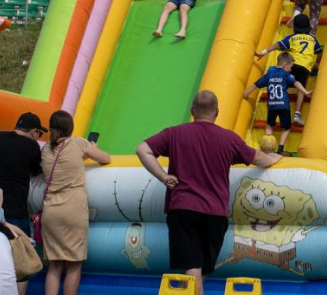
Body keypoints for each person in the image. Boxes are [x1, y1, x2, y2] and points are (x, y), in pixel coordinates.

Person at [136, 91, 282, 295]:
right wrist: (275, 158)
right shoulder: (228, 138)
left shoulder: (174, 133)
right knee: (201, 267)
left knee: (194, 267)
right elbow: (259, 159)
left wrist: (162, 176)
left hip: (183, 207)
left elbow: (142, 149)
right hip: (215, 212)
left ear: (192, 111)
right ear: (217, 112)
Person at [41, 111, 110, 295]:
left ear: (51, 128)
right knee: (73, 265)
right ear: (70, 128)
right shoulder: (79, 143)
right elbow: (105, 158)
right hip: (73, 210)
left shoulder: (45, 149)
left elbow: (63, 162)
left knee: (54, 265)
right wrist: (91, 147)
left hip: (50, 211)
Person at [0, 112, 45, 238]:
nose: (38, 138)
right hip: (13, 211)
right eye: (39, 134)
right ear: (34, 132)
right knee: (22, 247)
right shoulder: (31, 146)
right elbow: (37, 170)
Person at [255, 14, 322, 125]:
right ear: (308, 26)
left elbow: (277, 45)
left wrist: (263, 52)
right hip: (305, 67)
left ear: (295, 27)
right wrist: (316, 64)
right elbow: (319, 52)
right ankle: (297, 114)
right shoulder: (313, 39)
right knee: (301, 89)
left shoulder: (292, 38)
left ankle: (277, 100)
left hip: (292, 64)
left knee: (282, 78)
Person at [243, 52, 312, 154]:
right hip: (284, 105)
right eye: (290, 67)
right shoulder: (285, 74)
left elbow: (256, 84)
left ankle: (266, 147)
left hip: (272, 105)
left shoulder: (269, 74)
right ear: (285, 65)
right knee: (286, 128)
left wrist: (246, 93)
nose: (291, 69)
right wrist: (305, 92)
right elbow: (296, 83)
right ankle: (280, 148)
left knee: (269, 125)